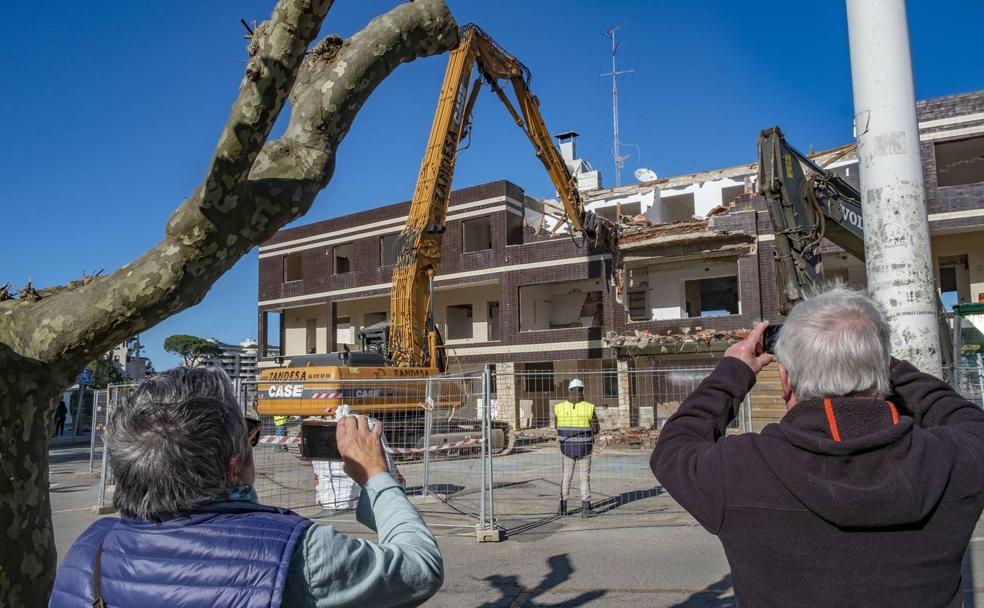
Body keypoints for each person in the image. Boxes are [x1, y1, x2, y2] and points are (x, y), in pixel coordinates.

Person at [650, 285, 984, 607]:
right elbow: (960, 415)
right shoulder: (952, 461)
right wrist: (872, 356)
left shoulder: (740, 471)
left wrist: (733, 370)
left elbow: (674, 446)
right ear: (881, 369)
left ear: (786, 380)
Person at [51, 367, 443, 608]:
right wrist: (376, 476)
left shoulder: (88, 548)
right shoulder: (295, 554)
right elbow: (419, 567)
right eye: (250, 436)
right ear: (233, 469)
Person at [554, 378, 599, 517]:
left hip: (566, 449)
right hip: (584, 449)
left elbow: (556, 426)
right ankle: (586, 508)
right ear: (582, 390)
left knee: (566, 477)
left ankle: (562, 507)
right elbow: (596, 428)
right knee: (584, 477)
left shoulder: (559, 407)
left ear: (569, 391)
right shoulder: (589, 407)